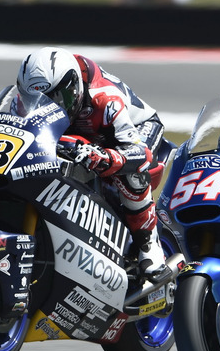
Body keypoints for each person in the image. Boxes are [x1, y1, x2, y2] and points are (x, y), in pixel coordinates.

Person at [16, 47, 169, 282]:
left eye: (55, 99)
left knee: (131, 172)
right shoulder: (27, 96)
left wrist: (107, 158)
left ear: (73, 87)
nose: (43, 106)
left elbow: (141, 153)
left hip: (136, 131)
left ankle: (149, 245)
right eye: (33, 99)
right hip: (81, 134)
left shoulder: (105, 99)